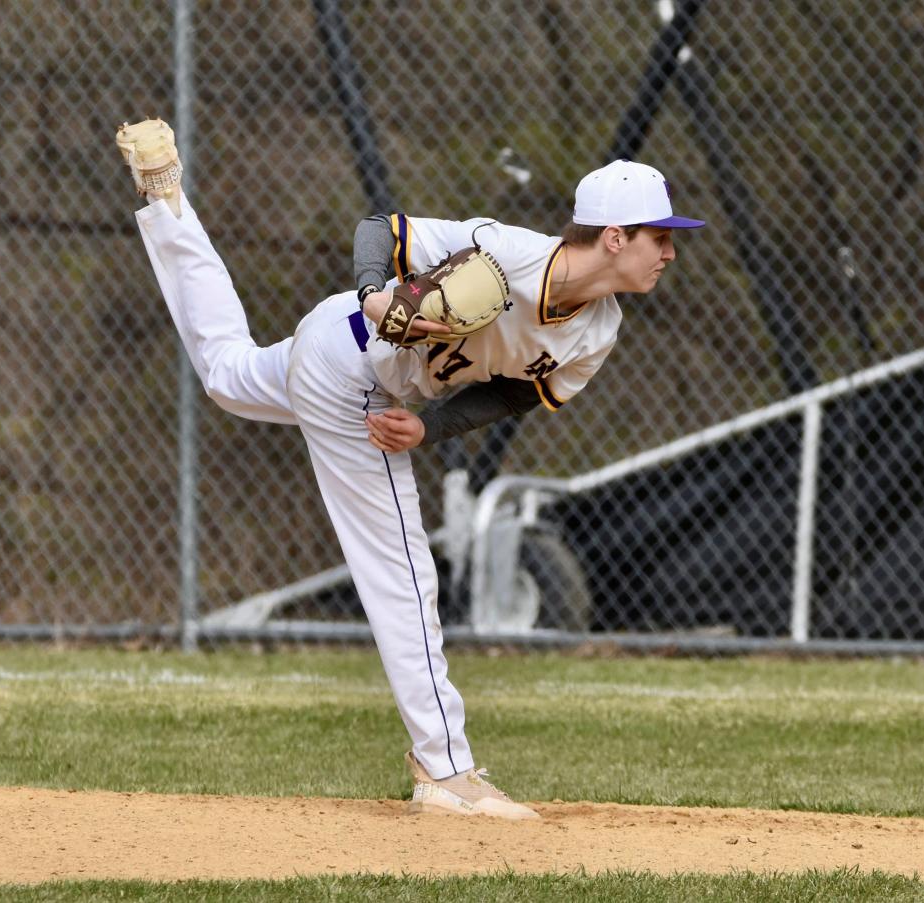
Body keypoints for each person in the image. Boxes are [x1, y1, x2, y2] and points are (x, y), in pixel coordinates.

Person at [116, 118, 704, 820]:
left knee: (226, 373)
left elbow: (518, 388)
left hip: (357, 369)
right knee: (403, 571)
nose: (670, 250)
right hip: (352, 364)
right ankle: (446, 767)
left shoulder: (600, 327)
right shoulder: (509, 252)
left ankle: (167, 202)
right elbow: (382, 229)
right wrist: (373, 289)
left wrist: (432, 425)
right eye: (659, 235)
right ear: (615, 237)